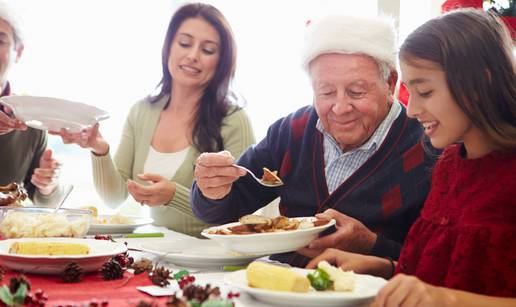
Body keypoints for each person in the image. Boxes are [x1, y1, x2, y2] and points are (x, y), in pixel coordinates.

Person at [307, 9, 516, 306]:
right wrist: (383, 268)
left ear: (479, 85)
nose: (411, 109)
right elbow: (435, 274)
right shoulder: (450, 166)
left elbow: (446, 292)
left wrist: (443, 299)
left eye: (425, 92)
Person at [192, 14, 438, 266]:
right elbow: (221, 214)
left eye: (356, 91)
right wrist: (212, 189)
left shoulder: (429, 148)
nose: (341, 107)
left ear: (390, 83)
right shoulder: (291, 131)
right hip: (278, 286)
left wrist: (371, 245)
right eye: (326, 92)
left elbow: (439, 265)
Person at [54, 3, 255, 237]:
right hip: (162, 250)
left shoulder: (233, 120)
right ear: (168, 47)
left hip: (215, 256)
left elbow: (242, 210)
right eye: (185, 43)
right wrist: (99, 150)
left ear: (221, 62)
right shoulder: (142, 111)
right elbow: (115, 197)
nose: (192, 56)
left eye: (208, 50)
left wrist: (174, 196)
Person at [0, 1, 63, 206]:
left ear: (18, 52)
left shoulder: (30, 122)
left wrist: (47, 186)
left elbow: (40, 205)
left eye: (0, 40)